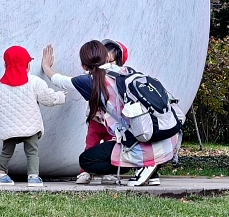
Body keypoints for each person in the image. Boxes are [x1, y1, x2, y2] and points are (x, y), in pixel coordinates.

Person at [73, 39, 181, 187]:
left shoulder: (113, 81)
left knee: (92, 156)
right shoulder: (132, 76)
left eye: (109, 53)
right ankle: (149, 170)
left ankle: (144, 166)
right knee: (105, 143)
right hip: (166, 135)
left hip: (136, 134)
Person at [42, 40, 116, 184]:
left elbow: (59, 80)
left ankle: (86, 172)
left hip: (96, 120)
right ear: (106, 58)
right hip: (113, 123)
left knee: (90, 146)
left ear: (83, 65)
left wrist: (45, 66)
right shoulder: (116, 74)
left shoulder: (86, 80)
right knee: (111, 146)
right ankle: (107, 173)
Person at [0, 45, 66, 187]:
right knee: (32, 152)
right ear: (27, 65)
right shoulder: (34, 81)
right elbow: (47, 99)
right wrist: (60, 96)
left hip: (9, 129)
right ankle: (33, 177)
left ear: (5, 65)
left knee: (6, 152)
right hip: (30, 126)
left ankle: (0, 175)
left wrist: (0, 123)